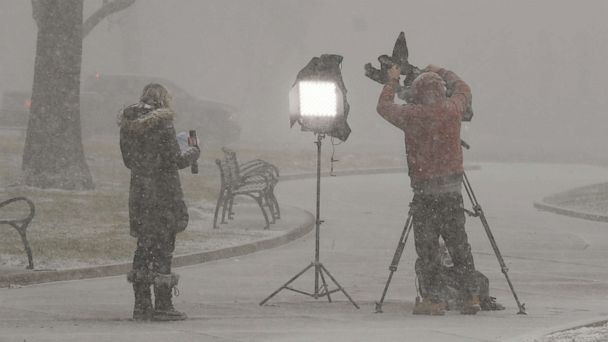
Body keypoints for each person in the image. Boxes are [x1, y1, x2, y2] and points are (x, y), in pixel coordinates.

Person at [376, 63, 480, 315]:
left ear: (418, 93)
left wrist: (391, 81)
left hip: (425, 193)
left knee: (428, 247)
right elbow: (464, 88)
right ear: (441, 91)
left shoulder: (412, 115)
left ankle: (432, 299)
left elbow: (383, 107)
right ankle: (470, 296)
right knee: (458, 244)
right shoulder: (452, 110)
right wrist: (441, 70)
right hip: (452, 191)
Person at [119, 83, 200, 321]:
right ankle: (163, 304)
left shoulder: (128, 124)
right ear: (164, 100)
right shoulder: (163, 123)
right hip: (163, 194)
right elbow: (174, 160)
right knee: (164, 248)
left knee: (144, 247)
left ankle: (141, 304)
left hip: (140, 193)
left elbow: (128, 160)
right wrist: (193, 152)